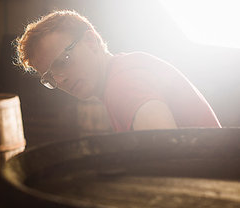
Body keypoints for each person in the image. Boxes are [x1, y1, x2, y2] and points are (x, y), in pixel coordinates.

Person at [15, 10, 221, 132]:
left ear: (91, 41)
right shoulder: (123, 71)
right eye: (50, 77)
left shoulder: (123, 83)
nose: (61, 79)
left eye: (63, 62)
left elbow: (166, 157)